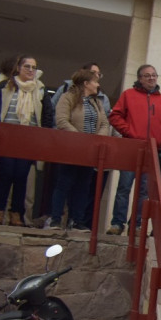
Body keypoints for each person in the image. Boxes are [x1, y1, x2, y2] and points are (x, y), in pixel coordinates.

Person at [106, 64, 161, 235]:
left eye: (154, 75)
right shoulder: (128, 95)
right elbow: (115, 116)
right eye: (147, 75)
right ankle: (117, 223)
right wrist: (130, 133)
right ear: (139, 78)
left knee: (144, 190)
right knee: (124, 187)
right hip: (130, 148)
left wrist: (159, 140)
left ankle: (136, 225)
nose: (151, 78)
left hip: (151, 150)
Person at [50, 68, 111, 230]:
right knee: (64, 182)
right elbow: (62, 120)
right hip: (71, 149)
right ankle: (55, 219)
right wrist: (80, 139)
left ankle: (77, 220)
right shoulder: (68, 97)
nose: (98, 84)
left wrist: (98, 139)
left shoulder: (96, 102)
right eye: (95, 81)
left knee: (83, 186)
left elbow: (104, 123)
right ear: (86, 83)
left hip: (89, 152)